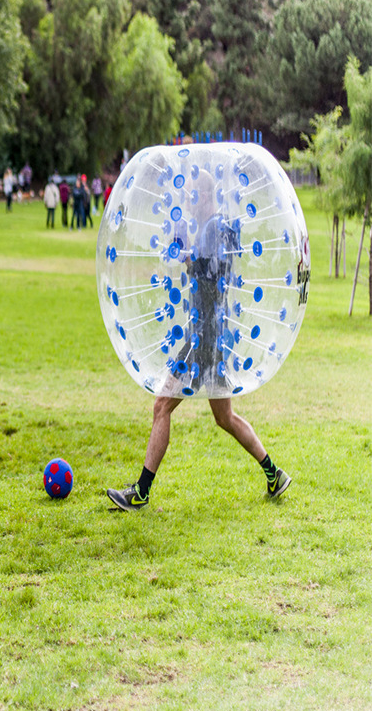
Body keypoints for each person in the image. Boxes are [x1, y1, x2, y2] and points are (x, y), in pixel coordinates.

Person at [107, 172, 292, 511]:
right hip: (212, 336)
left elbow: (210, 274)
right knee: (225, 418)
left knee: (162, 406)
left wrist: (186, 256)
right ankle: (274, 474)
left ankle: (141, 493)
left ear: (206, 195)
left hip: (203, 338)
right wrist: (186, 252)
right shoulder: (212, 228)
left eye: (193, 195)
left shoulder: (213, 228)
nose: (189, 201)